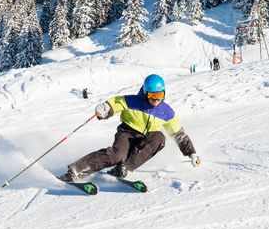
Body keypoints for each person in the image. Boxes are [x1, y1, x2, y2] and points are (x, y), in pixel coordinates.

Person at [59, 74, 201, 181]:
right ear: (145, 93)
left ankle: (124, 168)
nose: (156, 100)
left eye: (160, 95)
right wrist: (105, 109)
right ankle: (76, 170)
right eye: (152, 95)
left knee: (160, 137)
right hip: (127, 134)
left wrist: (191, 153)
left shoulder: (166, 112)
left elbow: (179, 134)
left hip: (146, 140)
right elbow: (115, 103)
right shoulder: (133, 101)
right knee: (117, 156)